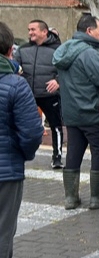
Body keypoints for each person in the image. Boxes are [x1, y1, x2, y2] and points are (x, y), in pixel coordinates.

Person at [53, 15, 99, 210]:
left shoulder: (64, 49)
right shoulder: (88, 54)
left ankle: (71, 198)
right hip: (93, 112)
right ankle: (97, 197)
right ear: (89, 31)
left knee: (74, 153)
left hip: (72, 113)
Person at [0, 21, 43, 258]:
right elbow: (31, 132)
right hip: (6, 170)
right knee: (2, 228)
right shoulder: (15, 84)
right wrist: (21, 155)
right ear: (10, 49)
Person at [14, 20, 63, 168]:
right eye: (29, 30)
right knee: (19, 124)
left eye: (33, 30)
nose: (30, 33)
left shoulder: (58, 50)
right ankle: (18, 155)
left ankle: (57, 157)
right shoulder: (23, 49)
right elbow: (15, 68)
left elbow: (66, 70)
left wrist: (58, 81)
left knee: (55, 126)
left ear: (44, 32)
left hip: (50, 95)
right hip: (28, 95)